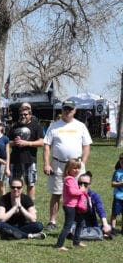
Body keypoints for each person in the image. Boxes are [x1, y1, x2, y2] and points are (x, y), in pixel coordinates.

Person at [43, 99, 92, 232]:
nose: (67, 111)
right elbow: (47, 146)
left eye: (70, 109)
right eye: (65, 108)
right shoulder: (54, 126)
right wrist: (47, 164)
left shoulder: (81, 126)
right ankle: (52, 221)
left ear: (75, 111)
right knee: (56, 193)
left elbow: (87, 146)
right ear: (62, 110)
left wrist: (83, 164)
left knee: (78, 194)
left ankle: (76, 222)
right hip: (58, 165)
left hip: (76, 166)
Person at [7, 102, 43, 201]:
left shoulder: (36, 126)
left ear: (30, 115)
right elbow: (7, 142)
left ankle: (29, 206)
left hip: (29, 160)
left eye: (26, 114)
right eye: (21, 114)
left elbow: (41, 142)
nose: (23, 116)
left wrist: (27, 143)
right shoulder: (14, 126)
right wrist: (14, 142)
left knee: (30, 184)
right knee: (14, 184)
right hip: (14, 160)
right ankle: (14, 204)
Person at [54, 160, 87, 251]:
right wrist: (82, 191)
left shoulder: (72, 179)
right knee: (68, 226)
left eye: (78, 168)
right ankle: (59, 245)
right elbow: (72, 192)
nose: (76, 170)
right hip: (70, 206)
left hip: (74, 206)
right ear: (68, 169)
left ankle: (76, 241)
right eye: (74, 168)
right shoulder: (69, 179)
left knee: (80, 222)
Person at [71, 171, 111, 240]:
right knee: (70, 229)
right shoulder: (74, 195)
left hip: (91, 224)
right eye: (80, 183)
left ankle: (81, 234)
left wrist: (105, 224)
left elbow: (100, 210)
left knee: (109, 227)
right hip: (77, 223)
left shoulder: (94, 196)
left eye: (85, 184)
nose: (82, 186)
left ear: (89, 185)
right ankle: (97, 234)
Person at [110, 154, 123, 233]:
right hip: (118, 197)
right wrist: (121, 184)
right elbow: (112, 184)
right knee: (114, 213)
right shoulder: (117, 172)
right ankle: (113, 228)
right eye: (122, 162)